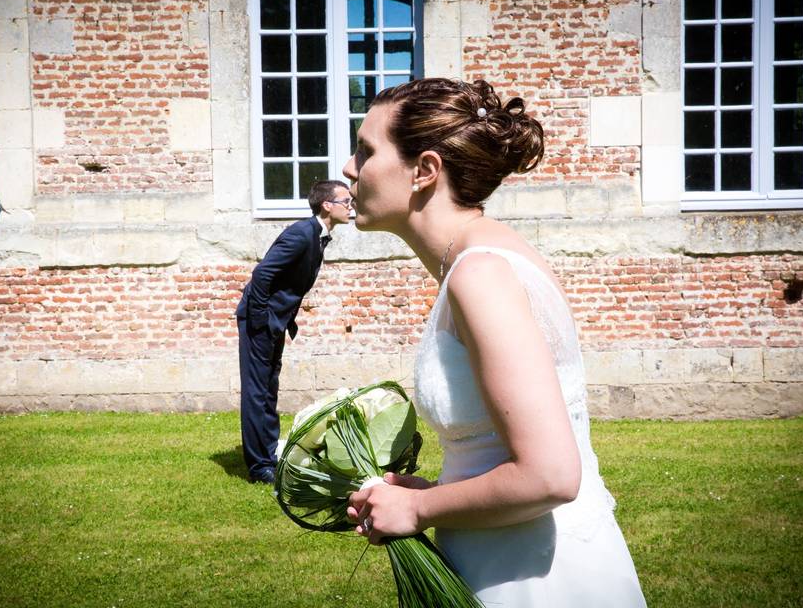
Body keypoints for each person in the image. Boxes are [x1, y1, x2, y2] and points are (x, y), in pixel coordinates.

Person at [342, 79, 646, 606]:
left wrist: (417, 511)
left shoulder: (478, 273)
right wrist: (436, 492)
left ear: (425, 171)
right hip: (508, 553)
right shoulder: (485, 255)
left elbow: (550, 475)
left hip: (532, 577)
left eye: (366, 151)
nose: (349, 168)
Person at [235, 179, 353, 484]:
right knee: (257, 391)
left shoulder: (318, 236)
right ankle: (259, 465)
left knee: (268, 389)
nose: (350, 206)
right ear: (327, 205)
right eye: (346, 201)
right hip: (260, 321)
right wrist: (261, 320)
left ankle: (269, 454)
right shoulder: (302, 234)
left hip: (274, 321)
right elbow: (262, 275)